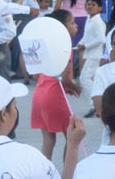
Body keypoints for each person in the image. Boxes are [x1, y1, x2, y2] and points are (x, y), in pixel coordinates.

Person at [29, 9, 82, 161]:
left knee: (48, 141)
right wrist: (76, 87)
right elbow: (65, 79)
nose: (76, 26)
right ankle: (68, 176)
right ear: (62, 28)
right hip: (54, 95)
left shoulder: (46, 46)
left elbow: (35, 75)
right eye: (72, 23)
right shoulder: (65, 47)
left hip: (39, 94)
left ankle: (44, 176)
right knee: (72, 139)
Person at [77, 0, 106, 116]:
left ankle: (94, 104)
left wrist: (85, 46)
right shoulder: (89, 19)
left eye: (93, 5)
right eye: (88, 4)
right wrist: (80, 44)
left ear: (100, 8)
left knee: (84, 79)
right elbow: (86, 36)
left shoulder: (98, 21)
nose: (90, 6)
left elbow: (100, 39)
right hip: (89, 54)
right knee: (92, 80)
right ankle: (99, 103)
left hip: (95, 54)